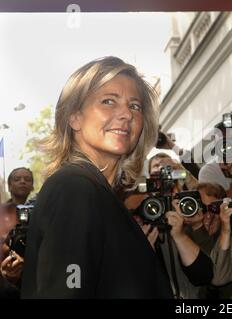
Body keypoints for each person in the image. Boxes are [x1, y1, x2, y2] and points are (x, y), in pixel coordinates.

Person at [20, 56, 172, 298]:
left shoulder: (97, 192)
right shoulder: (74, 188)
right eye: (109, 101)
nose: (126, 114)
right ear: (74, 117)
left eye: (135, 106)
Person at [124, 154, 213, 299]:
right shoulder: (141, 210)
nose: (161, 168)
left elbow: (204, 275)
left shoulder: (189, 208)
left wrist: (181, 233)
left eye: (166, 165)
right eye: (156, 166)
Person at [0, 167, 34, 297]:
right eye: (17, 179)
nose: (22, 181)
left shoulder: (40, 212)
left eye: (27, 179)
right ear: (9, 186)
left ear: (32, 186)